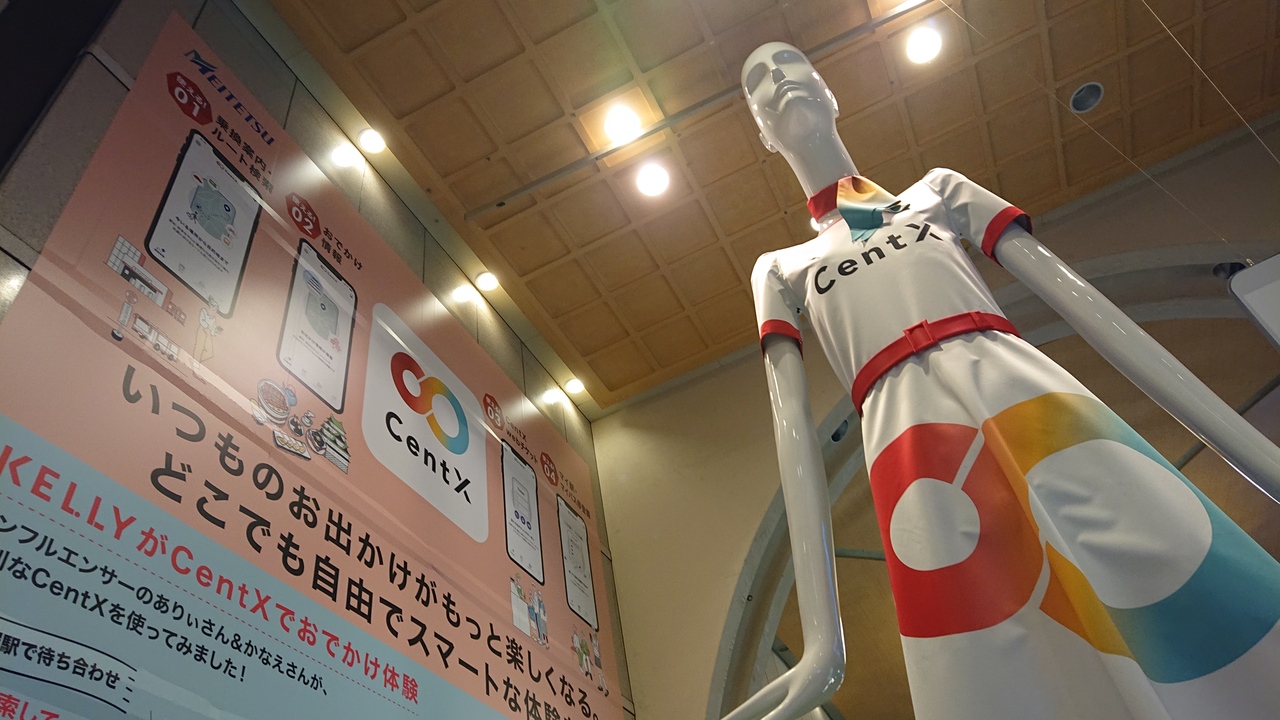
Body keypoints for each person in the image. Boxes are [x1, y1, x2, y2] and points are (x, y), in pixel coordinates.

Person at [731, 41, 1280, 720]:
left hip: (1018, 389)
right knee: (1000, 651)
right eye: (759, 81)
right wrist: (822, 645)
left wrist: (1256, 457)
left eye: (791, 64)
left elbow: (1091, 311)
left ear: (829, 89)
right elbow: (793, 442)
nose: (779, 80)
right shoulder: (778, 269)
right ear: (761, 131)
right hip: (913, 444)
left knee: (1164, 556)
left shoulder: (938, 191)